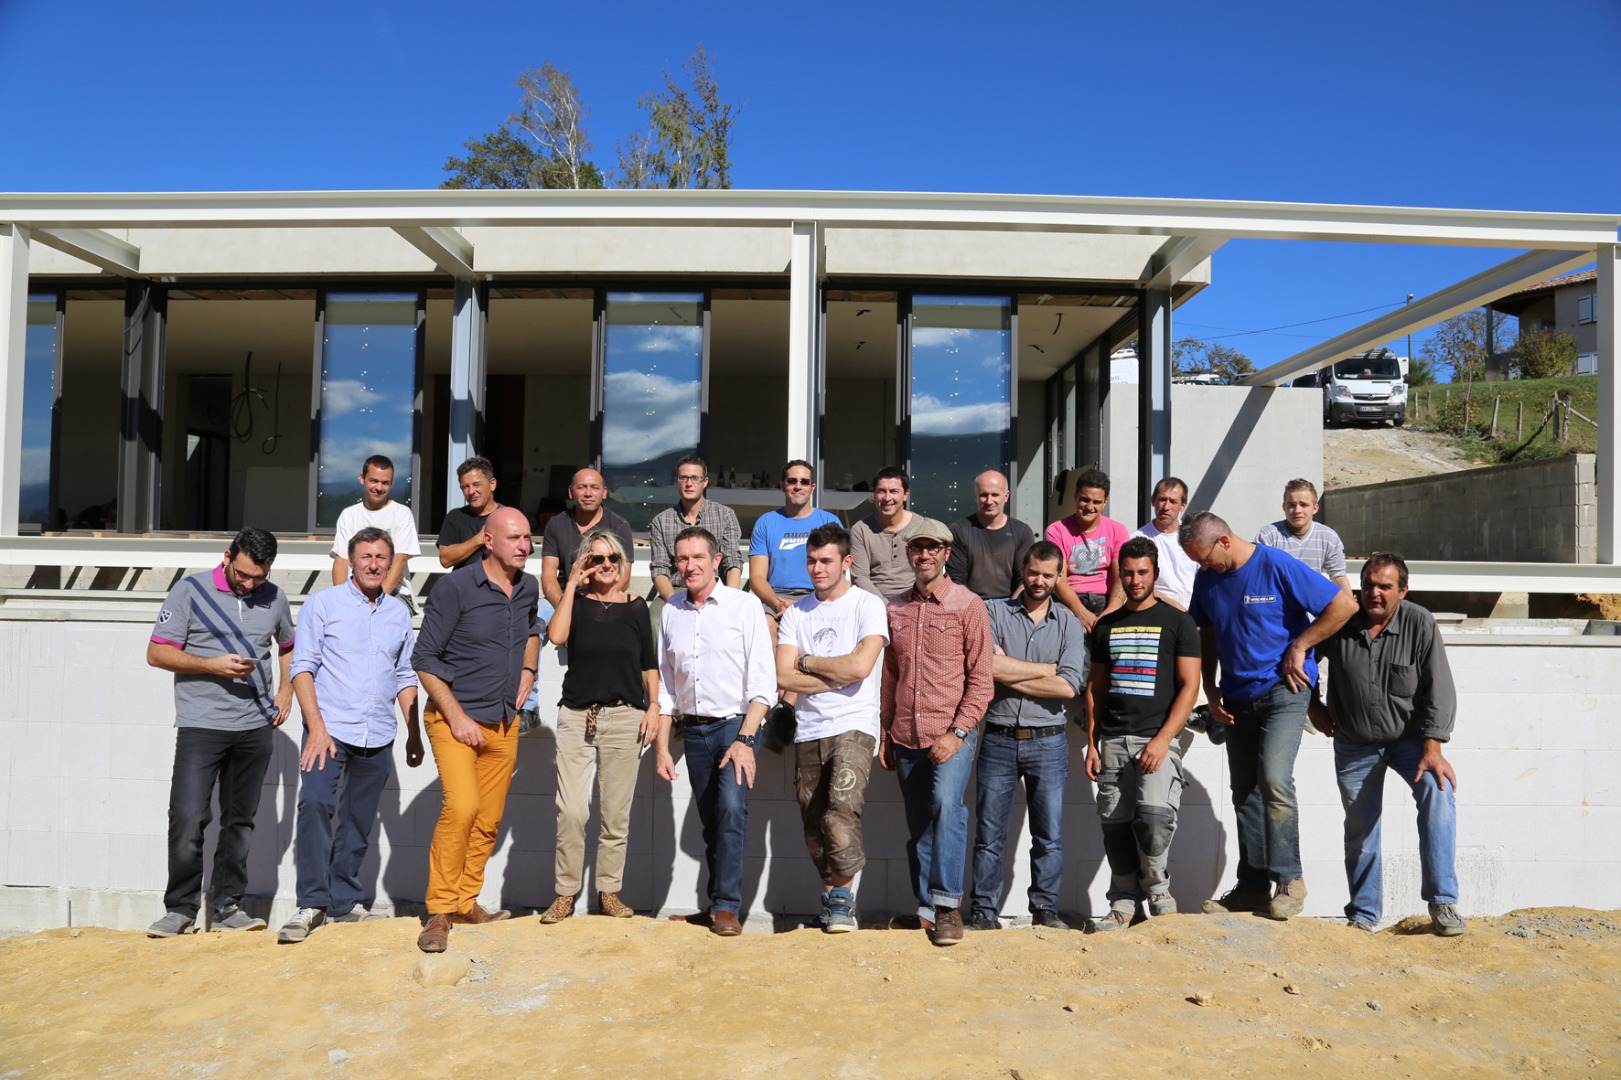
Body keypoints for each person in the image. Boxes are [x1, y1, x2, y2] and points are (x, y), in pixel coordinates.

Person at [1179, 511, 1357, 920]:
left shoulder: (1275, 564)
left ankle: (1290, 880)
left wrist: (1302, 645)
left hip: (1285, 690)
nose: (1201, 568)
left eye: (1204, 558)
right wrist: (1210, 685)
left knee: (1274, 778)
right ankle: (1254, 887)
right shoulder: (1208, 577)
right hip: (1237, 697)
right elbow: (1204, 632)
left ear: (1224, 540)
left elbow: (1343, 604)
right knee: (1245, 792)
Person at [145, 527, 294, 937]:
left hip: (254, 726)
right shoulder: (189, 591)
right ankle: (180, 909)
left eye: (258, 577)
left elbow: (288, 645)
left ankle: (228, 907)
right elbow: (156, 652)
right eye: (243, 574)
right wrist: (213, 666)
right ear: (228, 556)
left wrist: (287, 689)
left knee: (239, 821)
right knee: (189, 817)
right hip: (201, 725)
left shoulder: (274, 596)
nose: (249, 584)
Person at [1310, 552, 1466, 936]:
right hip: (1355, 741)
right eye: (1369, 585)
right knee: (1361, 827)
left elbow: (1440, 690)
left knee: (1438, 793)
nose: (1374, 594)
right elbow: (1303, 653)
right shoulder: (1341, 618)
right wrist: (1312, 704)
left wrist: (1434, 747)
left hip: (1411, 740)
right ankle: (1363, 915)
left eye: (1385, 586)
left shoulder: (1420, 622)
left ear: (1403, 591)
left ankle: (1442, 903)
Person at [280, 527, 422, 943]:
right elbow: (302, 667)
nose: (374, 564)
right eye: (365, 557)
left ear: (391, 562)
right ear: (351, 561)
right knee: (315, 807)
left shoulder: (398, 613)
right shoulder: (323, 604)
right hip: (331, 730)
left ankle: (344, 902)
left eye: (381, 557)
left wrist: (414, 733)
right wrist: (317, 729)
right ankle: (310, 904)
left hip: (378, 733)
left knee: (358, 822)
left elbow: (404, 675)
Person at [411, 507, 541, 953]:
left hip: (503, 721)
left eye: (527, 537)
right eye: (515, 538)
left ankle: (467, 900)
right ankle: (440, 911)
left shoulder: (528, 586)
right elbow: (424, 659)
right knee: (462, 808)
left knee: (487, 820)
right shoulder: (455, 588)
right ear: (488, 541)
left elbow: (533, 628)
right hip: (454, 719)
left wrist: (529, 668)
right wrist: (458, 717)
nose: (525, 545)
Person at [655, 526, 777, 937]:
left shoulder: (744, 606)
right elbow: (667, 688)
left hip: (736, 726)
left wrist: (745, 739)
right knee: (712, 821)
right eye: (682, 559)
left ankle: (727, 907)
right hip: (694, 731)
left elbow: (764, 681)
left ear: (717, 561)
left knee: (730, 810)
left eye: (697, 558)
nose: (689, 566)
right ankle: (714, 905)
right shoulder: (671, 609)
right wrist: (661, 747)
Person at [880, 519, 994, 946]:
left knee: (948, 807)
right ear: (909, 554)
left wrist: (958, 732)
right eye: (916, 548)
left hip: (951, 734)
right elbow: (890, 677)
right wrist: (886, 731)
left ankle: (948, 907)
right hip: (906, 734)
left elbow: (982, 681)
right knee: (920, 824)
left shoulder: (969, 606)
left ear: (946, 552)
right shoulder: (896, 608)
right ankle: (926, 908)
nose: (923, 555)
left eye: (932, 548)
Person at [537, 529, 659, 924]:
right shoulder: (577, 604)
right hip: (576, 716)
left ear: (623, 564)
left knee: (614, 815)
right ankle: (564, 894)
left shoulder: (637, 608)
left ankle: (609, 891)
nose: (605, 565)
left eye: (612, 559)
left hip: (626, 717)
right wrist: (571, 582)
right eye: (596, 559)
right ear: (585, 564)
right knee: (571, 811)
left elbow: (648, 664)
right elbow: (556, 636)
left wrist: (655, 706)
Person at [773, 524, 889, 933]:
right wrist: (834, 672)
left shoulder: (867, 605)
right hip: (808, 728)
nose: (817, 568)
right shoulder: (798, 613)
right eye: (811, 560)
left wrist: (807, 662)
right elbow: (782, 676)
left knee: (842, 807)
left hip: (854, 723)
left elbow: (860, 668)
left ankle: (843, 899)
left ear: (847, 562)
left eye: (825, 561)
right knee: (814, 819)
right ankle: (830, 898)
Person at [966, 540, 1085, 932]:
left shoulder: (1068, 622)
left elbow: (1069, 687)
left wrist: (1011, 669)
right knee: (988, 835)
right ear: (1024, 569)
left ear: (1059, 576)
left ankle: (1045, 911)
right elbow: (986, 669)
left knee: (1048, 835)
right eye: (1033, 572)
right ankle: (984, 911)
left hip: (1049, 741)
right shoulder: (993, 612)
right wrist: (1044, 669)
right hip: (998, 737)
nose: (1039, 581)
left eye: (1047, 575)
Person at [1084, 536, 1201, 931]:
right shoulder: (1106, 626)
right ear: (1120, 573)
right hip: (1113, 741)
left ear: (1155, 573)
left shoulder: (1179, 623)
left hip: (1157, 741)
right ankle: (1122, 902)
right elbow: (1095, 690)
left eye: (1142, 572)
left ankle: (1158, 891)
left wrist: (1164, 738)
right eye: (1128, 572)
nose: (1135, 580)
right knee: (1114, 828)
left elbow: (1190, 686)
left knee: (1153, 820)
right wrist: (1092, 743)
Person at [749, 460, 840, 632]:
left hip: (818, 595)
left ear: (812, 487)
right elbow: (756, 578)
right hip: (776, 596)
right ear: (782, 486)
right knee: (766, 626)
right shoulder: (766, 522)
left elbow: (837, 573)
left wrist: (807, 603)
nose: (798, 486)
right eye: (792, 481)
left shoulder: (829, 521)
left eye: (804, 482)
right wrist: (777, 604)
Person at [331, 454, 420, 611]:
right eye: (374, 481)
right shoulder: (349, 514)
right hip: (355, 592)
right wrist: (342, 601)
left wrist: (376, 603)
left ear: (392, 484)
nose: (379, 488)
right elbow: (341, 560)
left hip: (394, 592)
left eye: (385, 483)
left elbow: (400, 560)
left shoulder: (401, 513)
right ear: (362, 478)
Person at [648, 456, 742, 601]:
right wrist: (674, 602)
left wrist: (729, 600)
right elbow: (659, 569)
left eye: (694, 478)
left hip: (715, 589)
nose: (688, 484)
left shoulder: (724, 515)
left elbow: (732, 561)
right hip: (677, 591)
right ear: (676, 482)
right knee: (655, 620)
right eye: (683, 478)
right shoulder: (661, 521)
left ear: (704, 482)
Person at [1045, 467, 1128, 631]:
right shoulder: (1056, 530)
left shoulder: (1118, 530)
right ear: (1075, 497)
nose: (1089, 506)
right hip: (1068, 600)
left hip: (1107, 599)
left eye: (1096, 502)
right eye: (1085, 499)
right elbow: (1058, 577)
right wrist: (1080, 612)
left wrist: (1111, 611)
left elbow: (1122, 575)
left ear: (1105, 502)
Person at [541, 468, 635, 608]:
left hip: (604, 599)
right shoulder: (556, 524)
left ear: (604, 492)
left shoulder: (619, 526)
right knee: (540, 613)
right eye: (581, 487)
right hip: (562, 596)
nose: (588, 493)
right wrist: (563, 606)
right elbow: (548, 576)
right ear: (570, 492)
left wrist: (591, 609)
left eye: (594, 488)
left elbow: (623, 579)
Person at [850, 466, 941, 599]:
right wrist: (885, 607)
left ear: (905, 494)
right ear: (873, 494)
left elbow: (931, 571)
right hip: (874, 601)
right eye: (881, 491)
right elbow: (860, 577)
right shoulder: (861, 529)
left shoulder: (921, 527)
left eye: (894, 491)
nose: (887, 498)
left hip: (916, 598)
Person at [948, 470, 1035, 601]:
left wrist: (1009, 612)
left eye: (995, 495)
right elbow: (955, 579)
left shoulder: (1022, 532)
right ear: (975, 496)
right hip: (969, 603)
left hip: (1012, 603)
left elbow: (1024, 579)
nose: (989, 501)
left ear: (1006, 496)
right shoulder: (959, 530)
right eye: (984, 495)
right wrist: (976, 609)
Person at [1255, 479, 1351, 593]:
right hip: (1277, 608)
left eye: (1304, 505)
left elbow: (1338, 577)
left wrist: (1350, 607)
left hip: (1313, 607)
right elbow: (1256, 575)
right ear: (1284, 507)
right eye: (1291, 505)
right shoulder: (1268, 535)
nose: (1297, 510)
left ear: (1315, 508)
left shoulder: (1328, 537)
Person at [1131, 477, 1199, 610]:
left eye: (1173, 501)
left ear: (1183, 505)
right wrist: (1173, 605)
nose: (1166, 507)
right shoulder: (1138, 539)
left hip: (1195, 604)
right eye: (1162, 499)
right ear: (1153, 501)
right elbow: (1137, 582)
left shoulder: (1194, 536)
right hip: (1158, 606)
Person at [436, 456, 502, 572]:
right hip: (462, 588)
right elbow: (445, 560)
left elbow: (519, 564)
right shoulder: (455, 517)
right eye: (465, 487)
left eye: (477, 484)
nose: (471, 491)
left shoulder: (508, 517)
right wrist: (479, 539)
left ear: (492, 484)